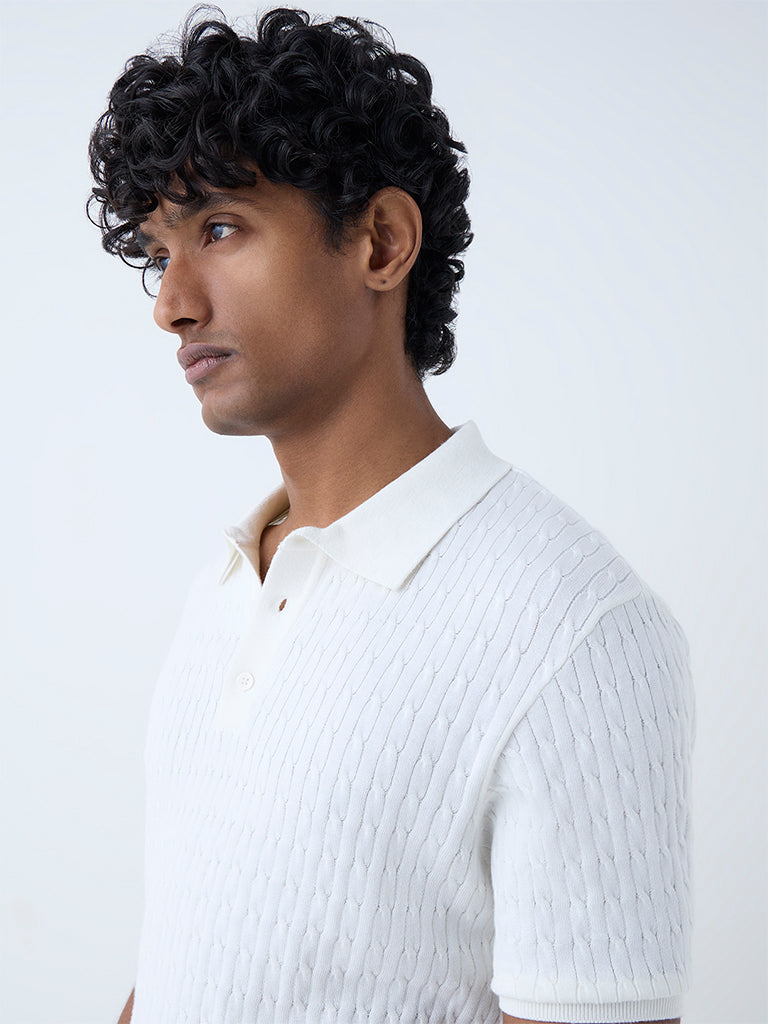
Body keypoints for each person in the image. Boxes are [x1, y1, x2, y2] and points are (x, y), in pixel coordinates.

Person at [88, 8, 694, 1024]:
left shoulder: (576, 629)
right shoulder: (232, 583)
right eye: (158, 252)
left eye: (220, 229)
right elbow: (191, 964)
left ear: (381, 242)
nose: (171, 304)